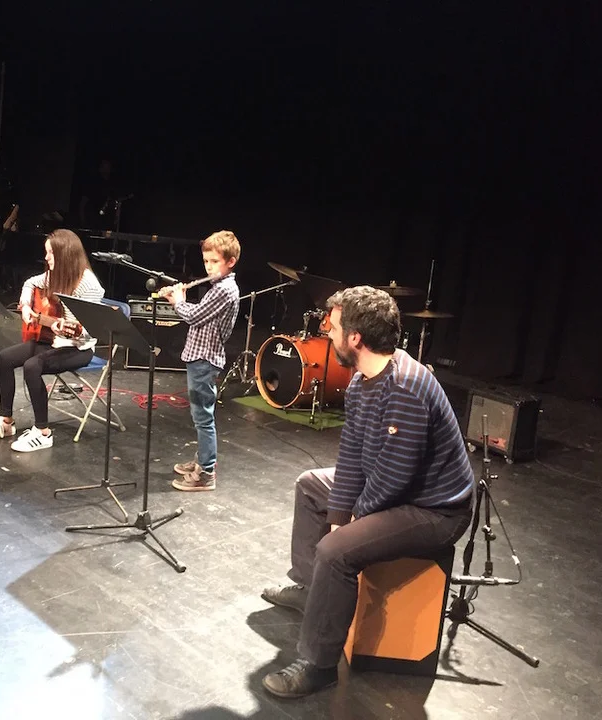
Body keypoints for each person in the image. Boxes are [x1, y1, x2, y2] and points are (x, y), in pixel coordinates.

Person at [259, 286, 475, 700]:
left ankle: (319, 665)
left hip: (435, 510)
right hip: (396, 487)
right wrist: (339, 512)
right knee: (311, 486)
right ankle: (310, 588)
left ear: (355, 337)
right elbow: (353, 456)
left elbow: (395, 478)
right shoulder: (361, 382)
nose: (328, 332)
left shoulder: (407, 387)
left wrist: (348, 524)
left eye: (334, 326)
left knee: (336, 551)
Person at [0, 228, 105, 452]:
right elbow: (29, 283)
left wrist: (61, 328)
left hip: (78, 348)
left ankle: (43, 432)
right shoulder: (55, 275)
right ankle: (6, 422)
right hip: (53, 342)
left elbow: (87, 332)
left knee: (32, 366)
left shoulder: (89, 285)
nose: (46, 258)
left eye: (50, 253)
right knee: (5, 358)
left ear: (64, 254)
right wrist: (27, 306)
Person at [159, 230, 241, 491]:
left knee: (203, 418)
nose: (208, 267)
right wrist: (179, 300)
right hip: (200, 356)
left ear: (231, 261)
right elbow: (201, 314)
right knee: (200, 416)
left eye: (215, 261)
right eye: (206, 261)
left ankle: (206, 472)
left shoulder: (225, 290)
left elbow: (194, 317)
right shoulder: (218, 287)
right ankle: (202, 460)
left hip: (205, 359)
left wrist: (178, 301)